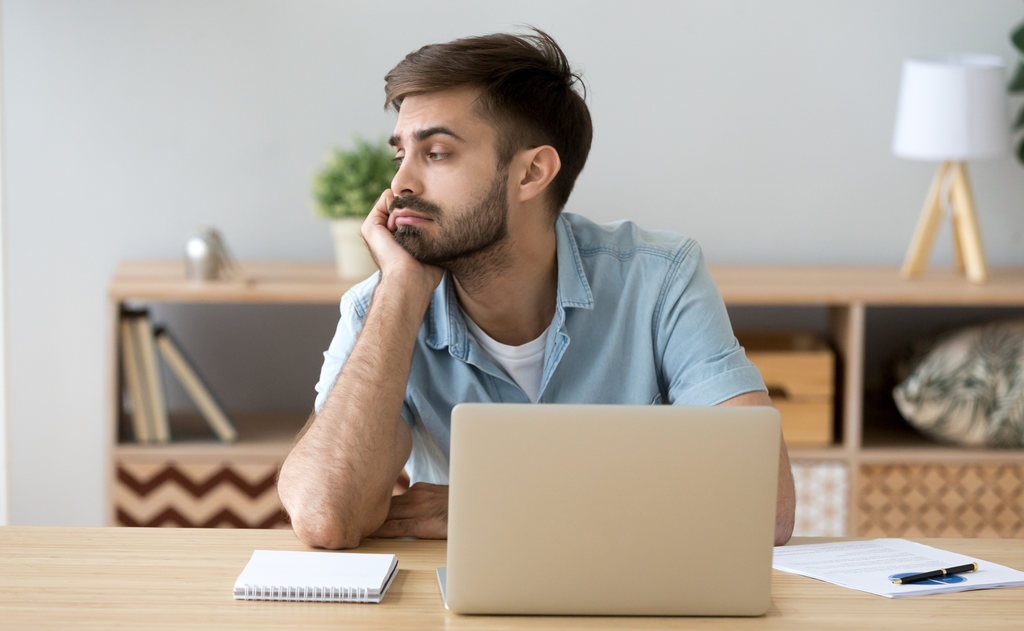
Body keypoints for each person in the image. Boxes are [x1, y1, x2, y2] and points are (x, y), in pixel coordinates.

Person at [278, 29, 796, 550]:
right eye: (400, 156)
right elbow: (326, 516)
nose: (400, 186)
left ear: (531, 172)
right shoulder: (381, 305)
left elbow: (763, 508)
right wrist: (401, 292)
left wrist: (493, 505)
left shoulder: (659, 278)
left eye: (435, 153)